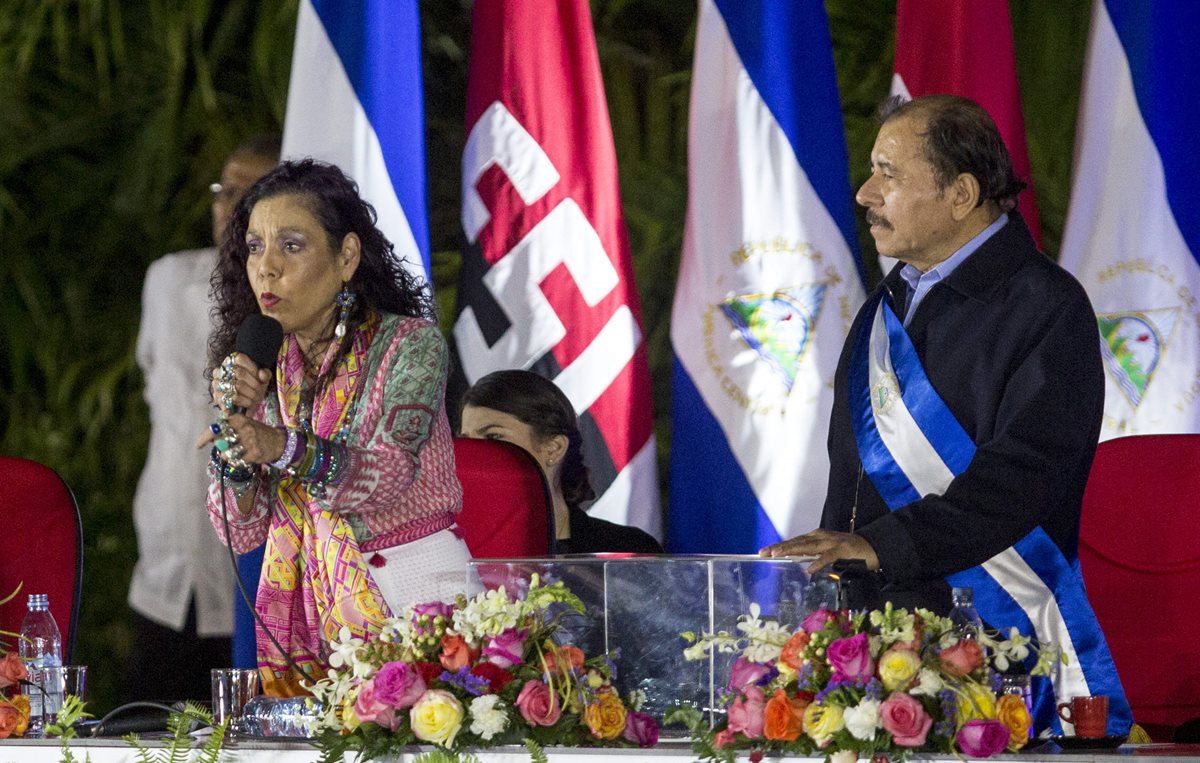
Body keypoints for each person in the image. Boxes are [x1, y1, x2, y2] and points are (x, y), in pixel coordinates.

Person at [761, 95, 1130, 734]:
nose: (864, 194)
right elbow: (851, 486)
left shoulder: (1048, 306)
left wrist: (881, 546)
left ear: (960, 194)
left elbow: (1024, 477)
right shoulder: (884, 307)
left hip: (991, 652)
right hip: (867, 657)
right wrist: (831, 620)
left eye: (889, 174)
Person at [201, 159, 469, 695]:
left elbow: (387, 475)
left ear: (346, 256)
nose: (266, 268)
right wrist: (238, 445)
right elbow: (242, 529)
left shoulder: (410, 345)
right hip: (312, 616)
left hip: (419, 601)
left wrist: (281, 446)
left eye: (291, 246)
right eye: (254, 247)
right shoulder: (262, 366)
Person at [126, 136, 278, 702]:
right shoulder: (167, 279)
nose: (229, 206)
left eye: (250, 193)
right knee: (150, 722)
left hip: (255, 567)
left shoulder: (292, 302)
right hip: (165, 559)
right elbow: (155, 386)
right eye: (224, 190)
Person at [459, 370, 662, 555]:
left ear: (554, 448)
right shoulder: (455, 550)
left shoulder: (627, 549)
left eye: (493, 436)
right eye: (466, 441)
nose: (473, 453)